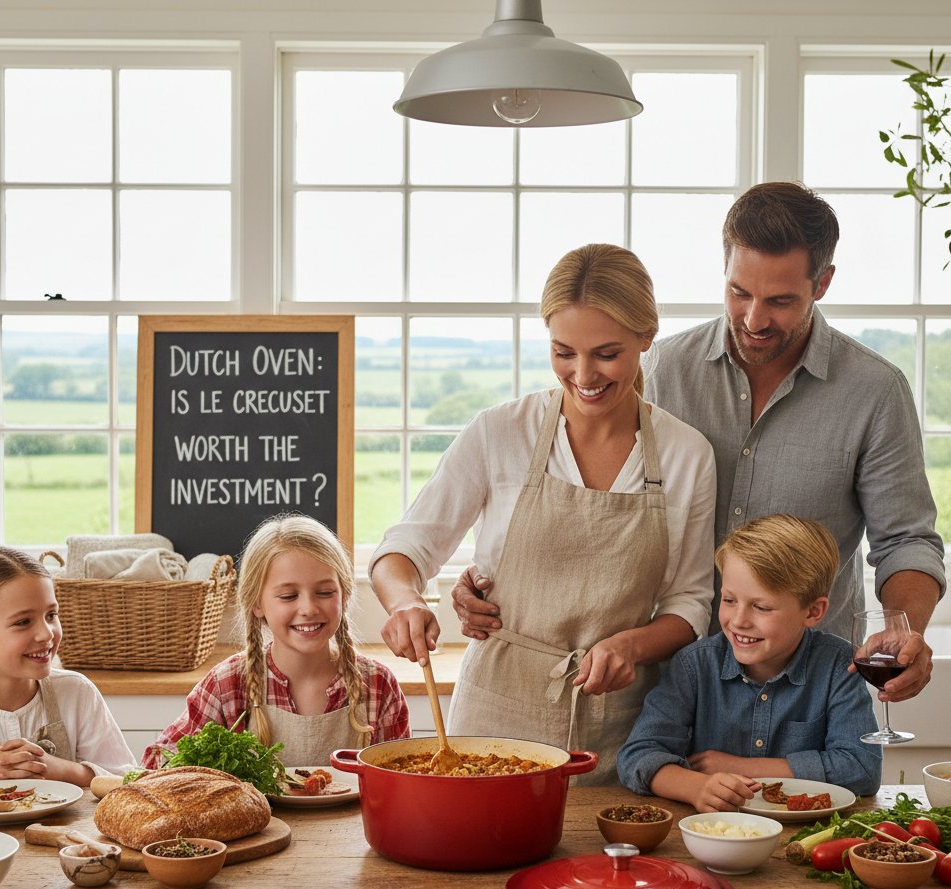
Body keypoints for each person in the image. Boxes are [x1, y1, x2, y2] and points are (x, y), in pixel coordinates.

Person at [453, 182, 945, 703]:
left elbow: (906, 539)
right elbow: (586, 508)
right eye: (739, 292)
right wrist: (494, 579)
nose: (754, 319)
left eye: (780, 301)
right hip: (667, 688)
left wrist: (904, 629)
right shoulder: (662, 369)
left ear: (822, 283)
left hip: (805, 690)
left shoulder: (874, 392)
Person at [369, 244, 717, 784]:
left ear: (646, 338)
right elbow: (404, 550)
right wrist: (406, 602)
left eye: (607, 353)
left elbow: (690, 602)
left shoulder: (685, 454)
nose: (583, 375)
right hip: (493, 715)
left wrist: (630, 645)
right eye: (563, 352)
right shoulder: (501, 432)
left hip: (621, 729)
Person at [617, 514, 882, 812]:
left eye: (761, 607)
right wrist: (695, 787)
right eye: (729, 601)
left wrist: (741, 766)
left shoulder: (839, 667)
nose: (739, 621)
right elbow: (637, 756)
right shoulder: (695, 665)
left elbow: (862, 768)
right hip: (712, 834)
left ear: (812, 612)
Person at [144, 514, 409, 769]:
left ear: (345, 594)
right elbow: (158, 762)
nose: (308, 608)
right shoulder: (228, 685)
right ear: (257, 603)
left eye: (325, 592)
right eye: (288, 596)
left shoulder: (378, 684)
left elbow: (403, 782)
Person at [0, 545, 135, 793]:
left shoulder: (77, 692)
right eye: (23, 622)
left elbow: (126, 779)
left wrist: (56, 768)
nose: (46, 633)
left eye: (51, 615)